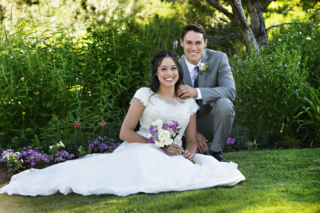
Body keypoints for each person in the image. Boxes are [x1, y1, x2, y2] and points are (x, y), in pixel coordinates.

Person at [0, 50, 245, 197]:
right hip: (142, 148)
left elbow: (191, 140)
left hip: (176, 152)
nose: (169, 73)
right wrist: (158, 145)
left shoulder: (187, 103)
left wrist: (189, 155)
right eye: (163, 69)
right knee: (149, 162)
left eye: (173, 69)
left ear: (179, 72)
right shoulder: (144, 95)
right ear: (156, 72)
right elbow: (124, 132)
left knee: (202, 169)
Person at [177, 24, 236, 162]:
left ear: (205, 43)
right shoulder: (174, 66)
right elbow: (169, 105)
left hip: (210, 120)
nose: (194, 48)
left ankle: (216, 152)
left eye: (198, 43)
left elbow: (230, 91)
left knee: (225, 104)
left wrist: (196, 92)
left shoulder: (219, 58)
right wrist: (192, 133)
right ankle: (189, 145)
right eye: (189, 43)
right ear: (181, 43)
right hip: (182, 125)